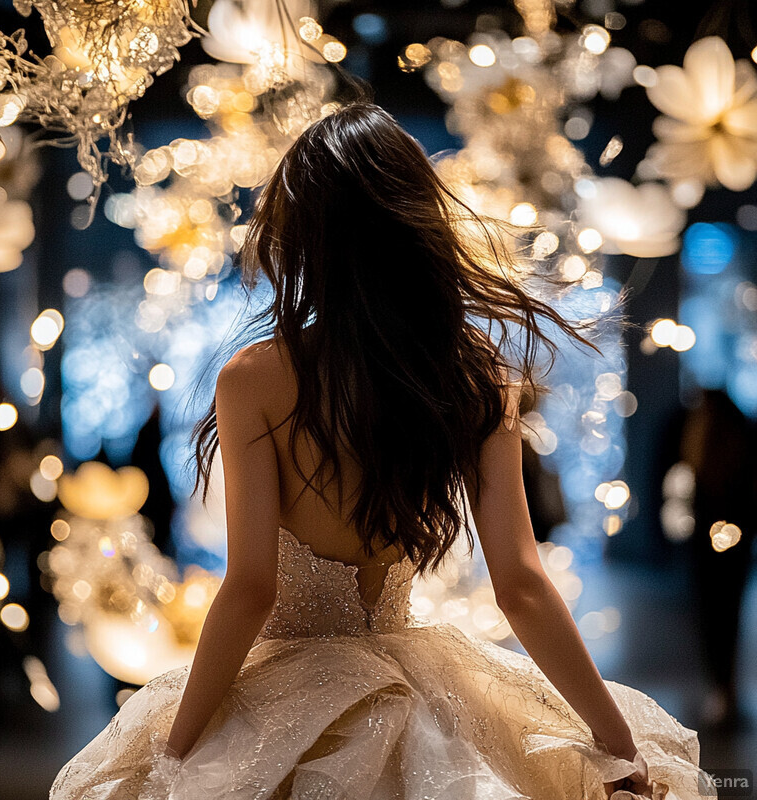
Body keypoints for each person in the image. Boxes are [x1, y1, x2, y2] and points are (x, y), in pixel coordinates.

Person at [50, 104, 713, 800]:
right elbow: (520, 582)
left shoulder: (255, 378)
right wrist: (617, 747)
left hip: (285, 704)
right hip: (427, 698)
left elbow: (250, 589)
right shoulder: (474, 374)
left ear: (304, 233)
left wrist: (174, 752)